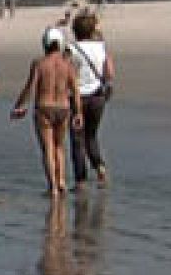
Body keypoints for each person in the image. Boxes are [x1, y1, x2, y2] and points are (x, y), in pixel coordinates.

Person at [10, 29, 83, 196]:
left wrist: (19, 105)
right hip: (63, 108)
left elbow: (30, 86)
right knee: (59, 146)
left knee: (48, 148)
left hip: (44, 107)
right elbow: (75, 90)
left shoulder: (39, 63)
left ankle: (53, 187)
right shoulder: (68, 65)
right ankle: (62, 180)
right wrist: (78, 112)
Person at [66, 13, 114, 185]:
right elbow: (110, 72)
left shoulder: (71, 49)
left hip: (77, 97)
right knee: (91, 136)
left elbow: (67, 73)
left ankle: (81, 181)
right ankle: (100, 167)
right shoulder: (101, 47)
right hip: (97, 96)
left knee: (77, 139)